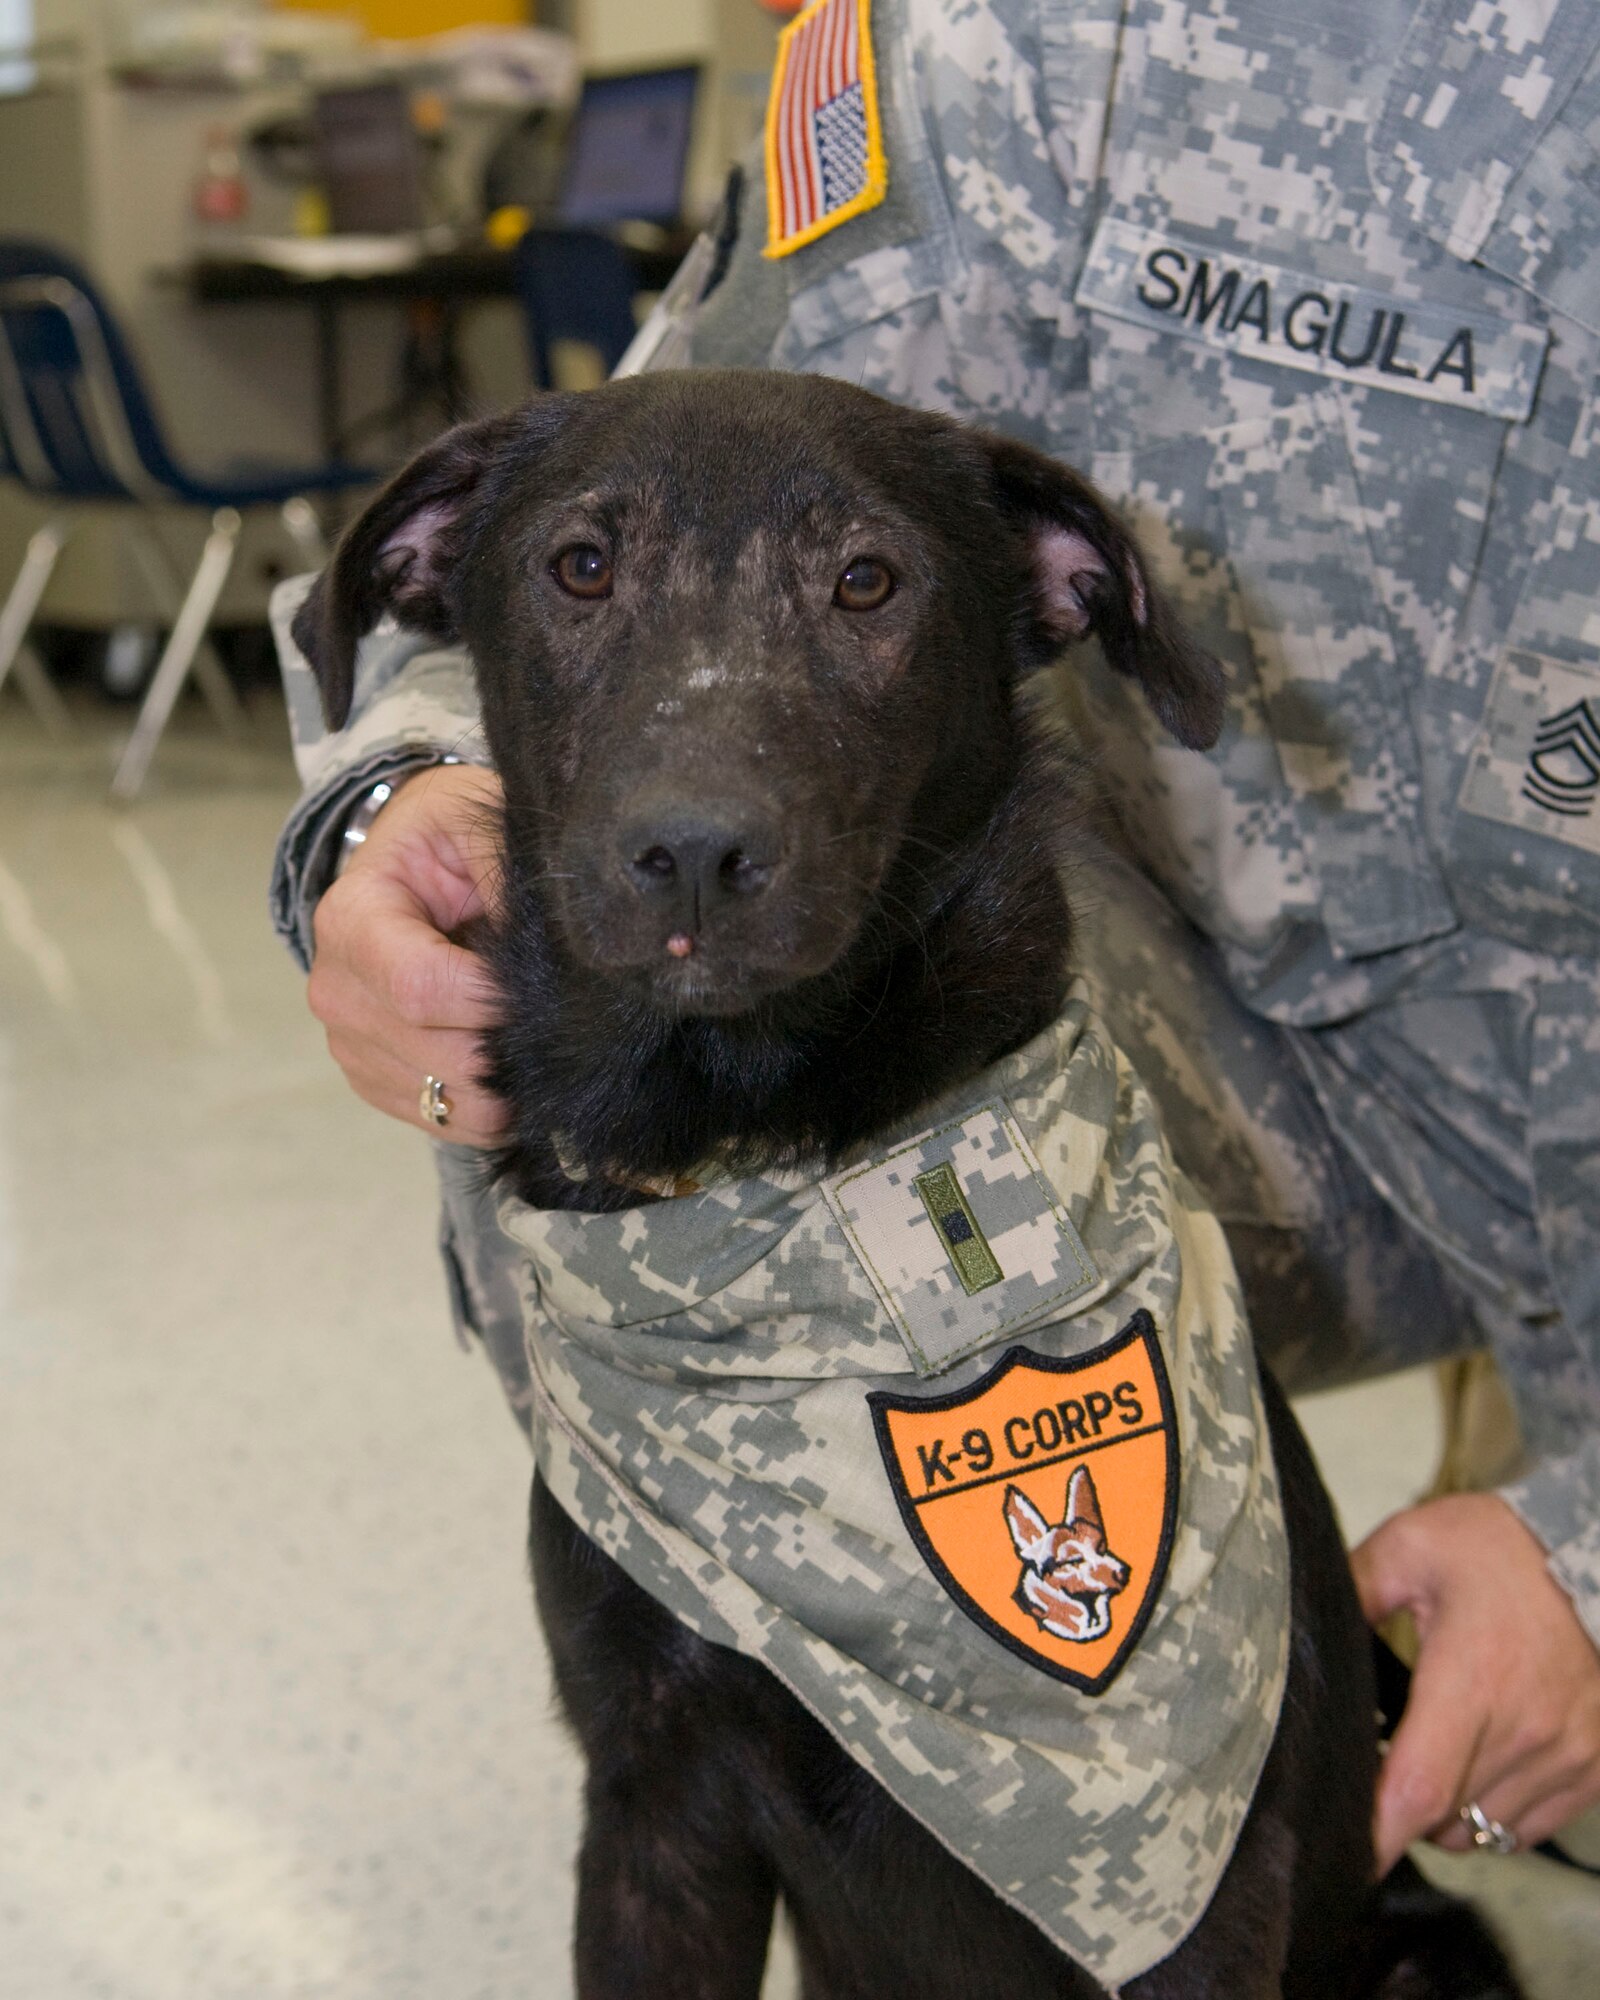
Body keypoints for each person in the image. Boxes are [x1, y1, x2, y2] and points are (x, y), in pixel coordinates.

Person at [271, 0, 1600, 1881]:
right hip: (1241, 1038)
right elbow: (661, 470)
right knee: (609, 1035)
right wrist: (389, 807)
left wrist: (1589, 1570)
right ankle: (802, 1745)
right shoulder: (1038, 39)